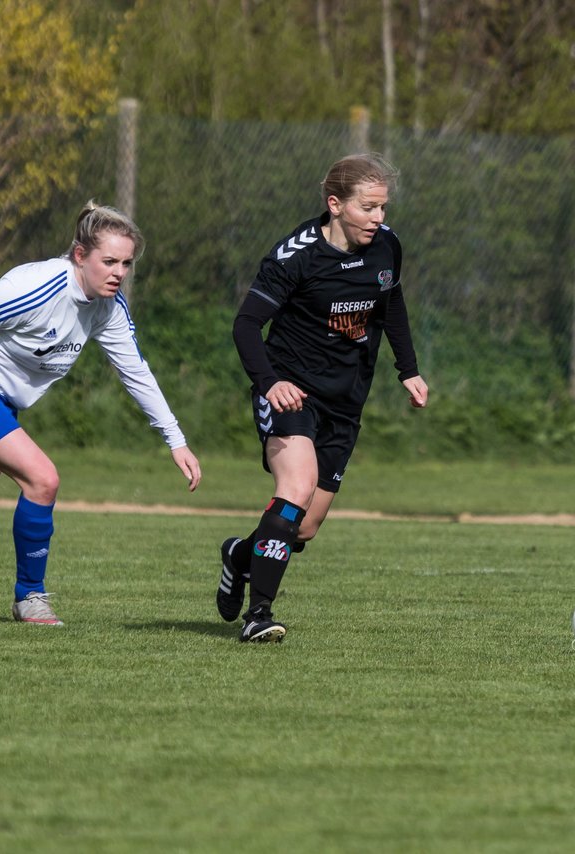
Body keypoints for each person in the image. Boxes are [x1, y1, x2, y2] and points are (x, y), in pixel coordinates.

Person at [0, 201, 201, 626]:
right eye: (109, 261)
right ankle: (29, 598)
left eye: (126, 263)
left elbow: (135, 371)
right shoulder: (36, 287)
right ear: (80, 256)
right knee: (42, 480)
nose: (119, 272)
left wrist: (175, 439)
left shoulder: (107, 307)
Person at [217, 153, 428, 642]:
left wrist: (408, 370)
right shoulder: (295, 257)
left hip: (345, 400)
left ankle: (239, 556)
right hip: (291, 390)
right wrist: (271, 382)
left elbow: (391, 304)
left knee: (304, 528)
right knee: (296, 487)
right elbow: (246, 325)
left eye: (383, 208)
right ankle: (259, 615)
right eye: (369, 207)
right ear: (336, 204)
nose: (379, 218)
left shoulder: (387, 247)